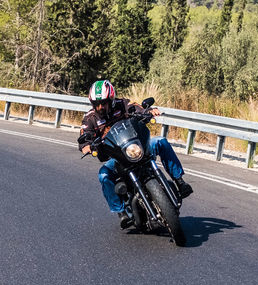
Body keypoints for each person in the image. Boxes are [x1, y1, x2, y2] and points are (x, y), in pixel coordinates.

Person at [78, 79, 193, 228]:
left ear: (111, 99)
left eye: (103, 103)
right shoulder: (90, 118)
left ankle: (179, 181)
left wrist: (149, 112)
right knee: (103, 175)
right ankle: (121, 212)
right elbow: (83, 136)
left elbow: (137, 108)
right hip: (117, 157)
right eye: (96, 104)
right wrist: (87, 146)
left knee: (160, 142)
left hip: (135, 147)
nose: (100, 107)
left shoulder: (122, 104)